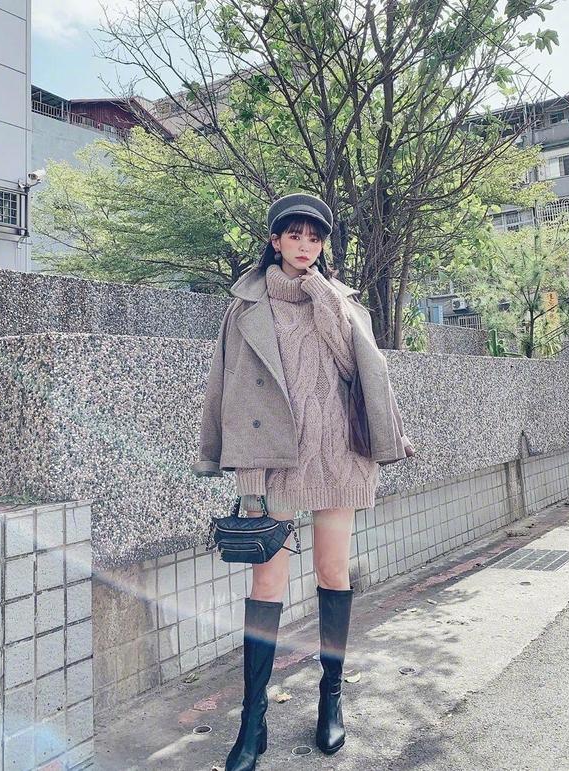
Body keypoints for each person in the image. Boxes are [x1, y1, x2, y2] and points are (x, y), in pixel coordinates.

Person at [191, 193, 414, 771]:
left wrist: (322, 295)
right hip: (273, 460)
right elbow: (226, 386)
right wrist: (228, 462)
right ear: (274, 240)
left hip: (337, 455)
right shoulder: (245, 307)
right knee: (266, 585)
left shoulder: (339, 300)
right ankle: (253, 719)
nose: (305, 246)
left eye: (314, 238)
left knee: (332, 573)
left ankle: (330, 698)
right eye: (294, 235)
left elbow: (354, 367)